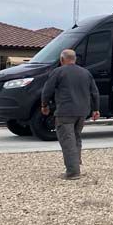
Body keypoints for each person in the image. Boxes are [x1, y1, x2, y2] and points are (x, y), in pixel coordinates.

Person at [41, 48, 100, 179]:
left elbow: (47, 90)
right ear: (75, 59)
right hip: (82, 112)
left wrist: (44, 105)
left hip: (65, 112)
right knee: (76, 138)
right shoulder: (86, 72)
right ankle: (76, 165)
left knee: (67, 141)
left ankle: (73, 172)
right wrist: (96, 109)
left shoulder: (58, 72)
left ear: (62, 59)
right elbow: (94, 92)